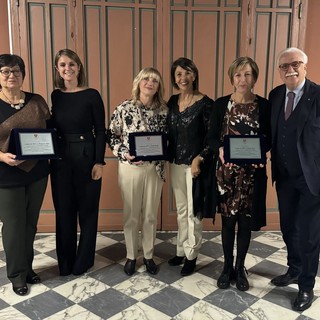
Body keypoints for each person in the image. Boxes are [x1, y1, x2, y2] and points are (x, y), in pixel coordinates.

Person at [207, 57, 271, 291]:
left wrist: (263, 152)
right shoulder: (221, 104)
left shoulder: (264, 105)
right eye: (238, 75)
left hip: (252, 176)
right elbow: (211, 138)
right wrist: (221, 149)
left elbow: (269, 138)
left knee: (245, 223)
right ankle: (227, 268)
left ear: (254, 77)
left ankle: (241, 267)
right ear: (231, 78)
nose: (242, 79)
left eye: (247, 74)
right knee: (227, 222)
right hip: (226, 175)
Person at [269, 47, 320, 311]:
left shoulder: (318, 95)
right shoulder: (276, 95)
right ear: (279, 70)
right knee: (289, 227)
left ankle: (306, 287)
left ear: (305, 66)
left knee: (310, 236)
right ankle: (295, 269)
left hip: (312, 181)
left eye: (295, 64)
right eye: (284, 66)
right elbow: (272, 134)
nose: (290, 69)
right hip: (285, 176)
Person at [50, 49, 106, 276]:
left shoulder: (92, 94)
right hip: (61, 158)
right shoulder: (56, 95)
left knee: (87, 211)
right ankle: (65, 263)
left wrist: (99, 162)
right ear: (57, 69)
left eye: (72, 64)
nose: (67, 68)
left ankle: (83, 262)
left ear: (79, 67)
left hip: (87, 155)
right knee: (63, 210)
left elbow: (101, 131)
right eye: (62, 65)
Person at [107, 67, 167, 276]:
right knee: (131, 215)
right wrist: (124, 153)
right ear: (138, 82)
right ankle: (131, 256)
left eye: (155, 81)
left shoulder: (164, 110)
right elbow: (112, 136)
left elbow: (169, 139)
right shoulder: (124, 108)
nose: (150, 83)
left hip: (154, 169)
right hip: (130, 168)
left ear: (159, 86)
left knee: (150, 215)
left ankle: (149, 255)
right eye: (146, 79)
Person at [0, 54, 50, 295]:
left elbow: (50, 131)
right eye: (6, 71)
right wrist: (1, 156)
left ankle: (27, 267)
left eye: (17, 71)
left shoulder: (37, 101)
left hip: (37, 172)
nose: (12, 75)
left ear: (23, 74)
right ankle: (17, 275)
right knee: (13, 225)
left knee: (30, 224)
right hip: (6, 174)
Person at [167, 57, 214, 276]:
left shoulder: (206, 104)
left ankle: (192, 255)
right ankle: (180, 249)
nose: (183, 78)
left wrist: (200, 158)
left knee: (194, 212)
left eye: (187, 73)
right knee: (181, 210)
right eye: (178, 74)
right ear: (174, 78)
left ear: (194, 75)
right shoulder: (171, 102)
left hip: (196, 166)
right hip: (176, 163)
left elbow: (212, 138)